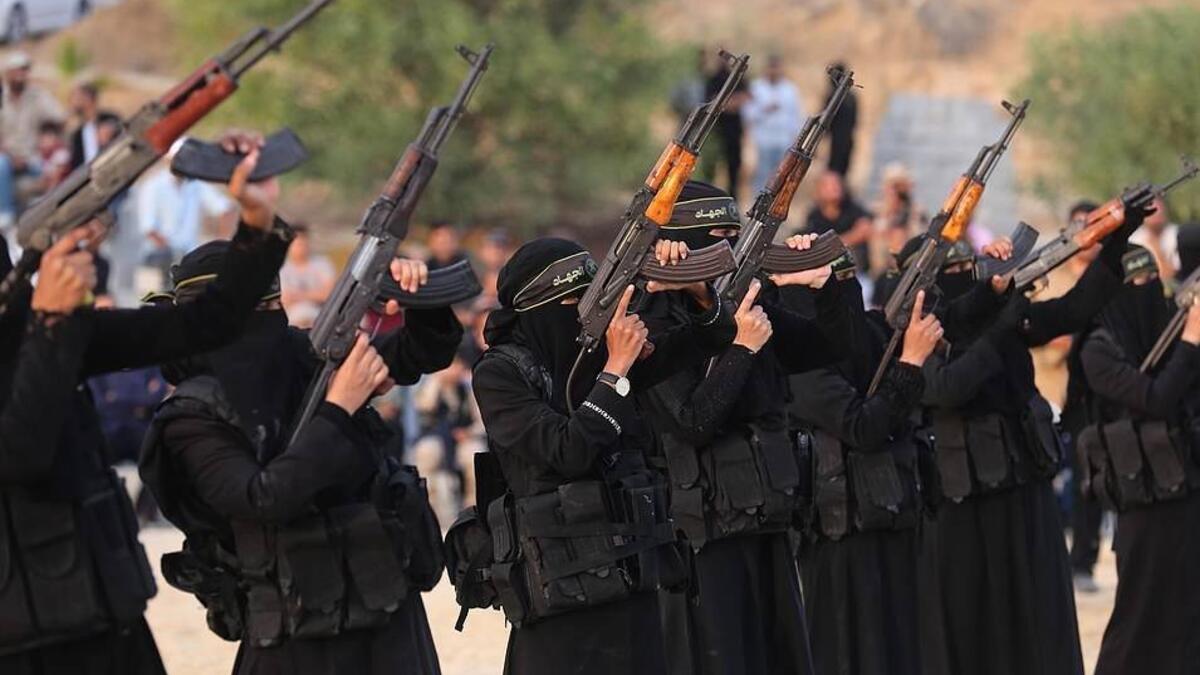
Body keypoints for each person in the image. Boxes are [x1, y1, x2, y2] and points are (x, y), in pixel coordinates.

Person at [0, 134, 290, 675]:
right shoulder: (49, 330)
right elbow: (21, 454)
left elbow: (208, 323)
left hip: (109, 619)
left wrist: (255, 218)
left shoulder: (45, 330)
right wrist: (50, 324)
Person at [141, 230, 459, 675]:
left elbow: (413, 355)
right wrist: (338, 409)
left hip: (384, 609)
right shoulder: (191, 417)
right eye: (258, 312)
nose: (271, 322)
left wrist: (421, 303)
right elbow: (262, 499)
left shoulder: (302, 356)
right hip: (292, 629)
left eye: (275, 307)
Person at [471, 235, 736, 675]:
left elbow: (714, 335)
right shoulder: (500, 373)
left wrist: (695, 289)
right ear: (543, 304)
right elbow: (566, 449)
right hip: (562, 591)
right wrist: (615, 371)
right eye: (573, 301)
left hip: (630, 575)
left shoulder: (594, 354)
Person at [914, 202, 1150, 675]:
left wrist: (1116, 242)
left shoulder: (1007, 317)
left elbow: (1075, 309)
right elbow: (948, 390)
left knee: (1035, 614)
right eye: (954, 269)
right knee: (973, 625)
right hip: (964, 498)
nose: (965, 273)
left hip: (1022, 482)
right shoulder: (921, 335)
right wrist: (997, 321)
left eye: (970, 266)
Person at [638, 180, 846, 675]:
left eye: (735, 236)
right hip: (700, 532)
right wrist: (740, 349)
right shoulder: (649, 317)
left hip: (763, 512)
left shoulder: (742, 308)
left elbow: (832, 347)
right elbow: (691, 421)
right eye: (716, 236)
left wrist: (831, 283)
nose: (728, 251)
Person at [791, 285, 943, 675]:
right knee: (846, 652)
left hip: (887, 515)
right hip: (836, 532)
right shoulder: (801, 365)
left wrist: (990, 291)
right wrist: (910, 363)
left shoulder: (864, 340)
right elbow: (862, 426)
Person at [1076, 245, 1200, 675]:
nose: (1144, 291)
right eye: (1133, 283)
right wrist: (1189, 344)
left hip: (1189, 486)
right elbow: (1154, 399)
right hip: (1143, 498)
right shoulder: (1098, 350)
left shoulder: (1176, 327)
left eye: (1151, 280)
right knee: (1141, 617)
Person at [1056, 201, 1107, 593]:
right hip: (1046, 389)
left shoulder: (1106, 276)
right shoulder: (1053, 276)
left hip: (1087, 395)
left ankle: (1083, 559)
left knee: (1088, 479)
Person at [136, 157, 237, 284]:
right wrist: (172, 252)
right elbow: (149, 229)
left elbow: (226, 209)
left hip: (187, 257)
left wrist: (221, 241)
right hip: (159, 257)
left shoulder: (196, 184)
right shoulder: (153, 186)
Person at [0, 52, 65, 224]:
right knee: (1, 164)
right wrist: (10, 156)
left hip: (32, 156)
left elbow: (60, 116)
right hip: (6, 157)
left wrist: (48, 140)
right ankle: (5, 215)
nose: (21, 75)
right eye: (17, 71)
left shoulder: (37, 96)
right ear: (8, 73)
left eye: (24, 70)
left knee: (56, 170)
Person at [743, 54, 803, 194]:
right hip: (763, 140)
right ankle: (756, 204)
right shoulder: (756, 87)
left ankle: (774, 208)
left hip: (783, 140)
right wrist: (764, 110)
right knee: (763, 174)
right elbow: (748, 113)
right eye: (772, 68)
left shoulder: (790, 89)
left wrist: (796, 138)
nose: (774, 71)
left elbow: (796, 115)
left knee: (781, 175)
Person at [806, 171, 872, 271]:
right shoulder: (814, 215)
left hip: (856, 269)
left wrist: (833, 245)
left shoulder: (853, 208)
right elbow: (817, 247)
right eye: (828, 185)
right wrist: (848, 239)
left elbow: (865, 230)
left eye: (837, 184)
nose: (835, 188)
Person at [705, 56, 750, 200]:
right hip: (716, 129)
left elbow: (745, 97)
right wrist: (727, 103)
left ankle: (733, 200)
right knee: (711, 167)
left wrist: (727, 104)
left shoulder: (738, 79)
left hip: (734, 130)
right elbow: (711, 100)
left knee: (734, 168)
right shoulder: (713, 78)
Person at [279, 223, 336, 328]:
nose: (301, 248)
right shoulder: (282, 269)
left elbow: (329, 294)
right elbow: (285, 299)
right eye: (297, 244)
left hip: (320, 312)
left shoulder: (322, 263)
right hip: (294, 316)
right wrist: (314, 295)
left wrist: (298, 296)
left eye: (303, 243)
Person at [1129, 195, 1180, 286]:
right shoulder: (1134, 240)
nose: (1157, 214)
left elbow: (1169, 275)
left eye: (1159, 209)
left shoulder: (1176, 235)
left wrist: (1156, 248)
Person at [824, 61, 857, 177]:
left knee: (835, 172)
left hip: (839, 140)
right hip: (846, 139)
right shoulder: (851, 97)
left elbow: (825, 122)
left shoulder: (833, 97)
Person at [68, 81, 103, 171]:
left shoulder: (109, 120)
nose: (72, 102)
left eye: (76, 97)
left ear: (88, 98)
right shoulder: (77, 134)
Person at [35, 119, 72, 191]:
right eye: (42, 140)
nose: (43, 143)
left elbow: (56, 179)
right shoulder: (44, 156)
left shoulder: (62, 153)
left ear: (55, 138)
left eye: (46, 139)